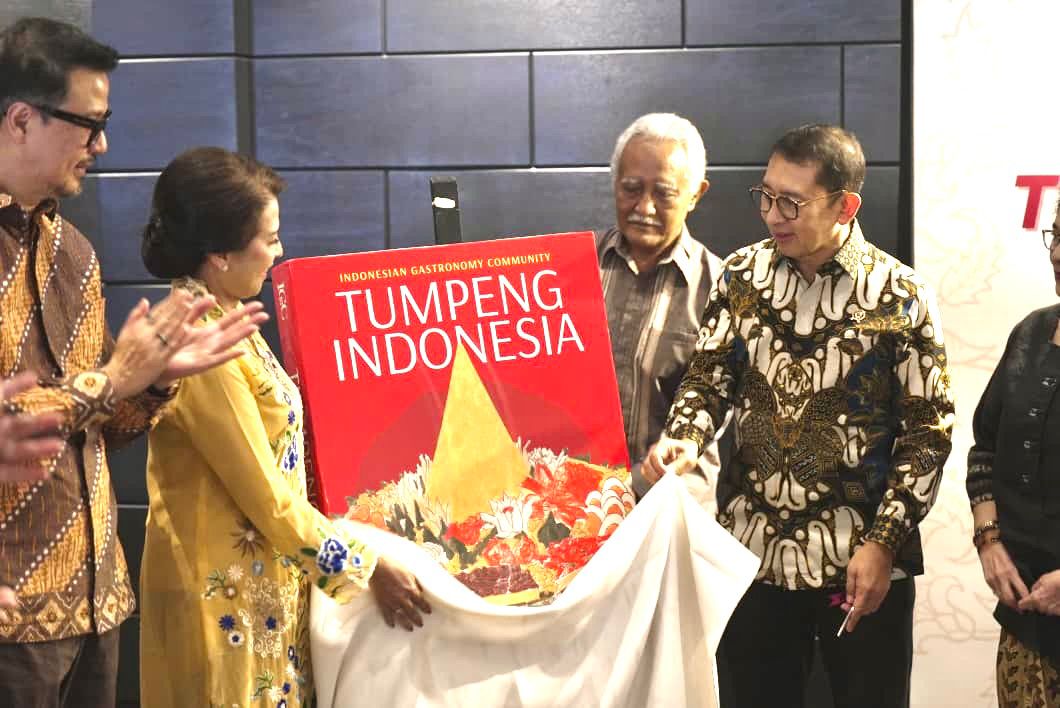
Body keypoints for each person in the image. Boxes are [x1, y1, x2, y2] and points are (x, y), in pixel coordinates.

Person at [0, 17, 265, 706]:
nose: (102, 145)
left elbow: (93, 432)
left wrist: (152, 386)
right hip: (11, 617)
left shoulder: (75, 254)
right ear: (22, 119)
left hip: (97, 604)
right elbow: (13, 424)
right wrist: (115, 377)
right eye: (89, 125)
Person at [644, 124, 954, 708]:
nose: (772, 214)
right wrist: (684, 437)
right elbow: (709, 378)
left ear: (845, 206)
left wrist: (885, 541)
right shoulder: (742, 276)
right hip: (754, 556)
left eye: (791, 202)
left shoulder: (900, 296)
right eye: (765, 195)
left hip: (861, 563)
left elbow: (928, 434)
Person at [138, 146, 430, 707]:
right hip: (224, 598)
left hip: (263, 583)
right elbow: (265, 496)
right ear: (220, 254)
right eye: (269, 239)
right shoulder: (201, 342)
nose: (279, 251)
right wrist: (366, 566)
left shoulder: (226, 316)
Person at [595, 112, 728, 510]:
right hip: (575, 511)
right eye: (631, 188)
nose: (645, 207)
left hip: (670, 507)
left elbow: (718, 401)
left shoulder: (722, 289)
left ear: (696, 194)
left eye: (664, 193)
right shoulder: (570, 270)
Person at [966, 211, 1060, 706]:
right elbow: (985, 447)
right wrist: (989, 540)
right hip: (1028, 623)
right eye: (1057, 235)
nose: (1058, 253)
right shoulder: (1031, 333)